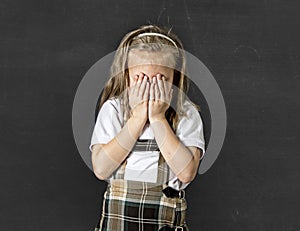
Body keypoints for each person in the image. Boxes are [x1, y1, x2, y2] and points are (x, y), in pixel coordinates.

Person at [89, 24, 206, 231]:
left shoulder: (186, 114)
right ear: (126, 77)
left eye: (162, 80)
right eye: (141, 79)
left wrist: (158, 117)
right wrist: (137, 118)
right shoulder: (114, 110)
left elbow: (186, 172)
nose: (151, 88)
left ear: (175, 79)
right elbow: (101, 168)